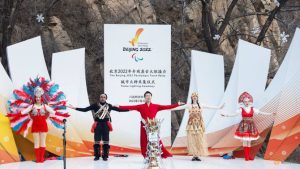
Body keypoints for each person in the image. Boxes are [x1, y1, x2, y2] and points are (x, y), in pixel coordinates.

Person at [7, 76, 69, 163]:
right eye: (37, 98)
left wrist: (63, 116)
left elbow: (53, 112)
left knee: (43, 142)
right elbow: (24, 112)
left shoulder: (45, 106)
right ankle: (38, 158)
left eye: (39, 97)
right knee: (36, 142)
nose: (38, 99)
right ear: (35, 98)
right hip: (35, 125)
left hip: (43, 125)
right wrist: (14, 114)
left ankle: (41, 158)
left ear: (42, 98)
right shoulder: (32, 106)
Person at [115, 91, 184, 159]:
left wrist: (177, 104)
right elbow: (130, 107)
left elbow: (167, 107)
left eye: (149, 95)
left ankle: (159, 153)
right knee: (144, 140)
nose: (148, 97)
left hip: (153, 126)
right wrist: (119, 106)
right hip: (144, 125)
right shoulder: (140, 106)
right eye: (146, 96)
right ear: (144, 98)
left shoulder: (156, 106)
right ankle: (146, 155)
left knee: (155, 140)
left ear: (151, 97)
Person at [67, 93, 128, 161]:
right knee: (97, 141)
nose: (102, 98)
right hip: (98, 124)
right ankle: (97, 156)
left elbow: (119, 110)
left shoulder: (109, 106)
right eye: (101, 97)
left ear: (106, 98)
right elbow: (85, 109)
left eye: (104, 97)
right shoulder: (95, 105)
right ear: (99, 98)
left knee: (106, 141)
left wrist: (130, 109)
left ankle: (105, 156)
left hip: (106, 125)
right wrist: (74, 108)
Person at [221, 92, 276, 161]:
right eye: (245, 101)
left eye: (247, 101)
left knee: (249, 141)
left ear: (249, 101)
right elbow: (234, 114)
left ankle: (247, 156)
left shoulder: (253, 109)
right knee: (245, 141)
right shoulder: (241, 109)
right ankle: (246, 157)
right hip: (243, 126)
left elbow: (261, 113)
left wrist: (271, 114)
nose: (246, 102)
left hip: (250, 126)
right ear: (243, 102)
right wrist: (226, 115)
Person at [172, 92, 224, 161]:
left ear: (197, 97)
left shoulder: (201, 105)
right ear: (191, 98)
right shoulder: (189, 105)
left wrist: (219, 107)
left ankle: (197, 155)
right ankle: (194, 155)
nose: (195, 97)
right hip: (191, 125)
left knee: (198, 140)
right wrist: (169, 108)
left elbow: (210, 107)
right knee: (193, 140)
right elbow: (179, 108)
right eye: (193, 96)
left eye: (196, 96)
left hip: (199, 125)